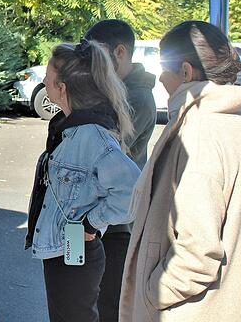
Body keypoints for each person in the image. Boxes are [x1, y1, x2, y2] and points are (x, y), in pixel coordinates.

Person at [120, 21, 241, 322]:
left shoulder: (198, 133)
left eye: (164, 68)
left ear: (186, 72)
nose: (159, 78)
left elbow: (198, 253)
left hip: (194, 311)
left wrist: (151, 293)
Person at [25, 39, 141, 322]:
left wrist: (91, 223)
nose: (44, 83)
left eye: (47, 78)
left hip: (76, 253)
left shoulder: (92, 135)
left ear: (61, 88)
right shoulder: (70, 127)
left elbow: (132, 190)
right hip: (63, 249)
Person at [84, 19, 156, 322]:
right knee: (90, 299)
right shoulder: (115, 90)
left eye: (97, 55)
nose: (92, 64)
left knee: (109, 306)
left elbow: (98, 153)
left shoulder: (136, 98)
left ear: (120, 52)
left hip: (117, 226)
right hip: (99, 222)